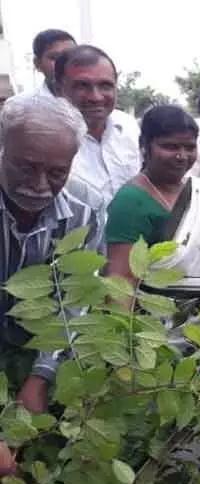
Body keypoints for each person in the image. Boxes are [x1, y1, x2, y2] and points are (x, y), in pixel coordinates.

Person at [0, 95, 102, 417]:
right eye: (27, 167)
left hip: (34, 352)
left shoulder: (86, 208)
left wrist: (41, 377)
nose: (39, 185)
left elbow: (75, 299)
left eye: (57, 172)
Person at [105, 105, 200, 309]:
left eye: (190, 147)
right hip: (156, 329)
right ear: (145, 146)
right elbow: (121, 281)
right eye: (170, 146)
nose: (182, 156)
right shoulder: (130, 201)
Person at [54, 45, 141, 212]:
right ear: (59, 89)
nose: (96, 97)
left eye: (105, 86)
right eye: (82, 86)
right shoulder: (45, 139)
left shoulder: (128, 127)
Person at [26, 29, 76, 98]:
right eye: (54, 57)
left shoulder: (93, 99)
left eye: (70, 56)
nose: (64, 62)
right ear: (37, 63)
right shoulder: (21, 105)